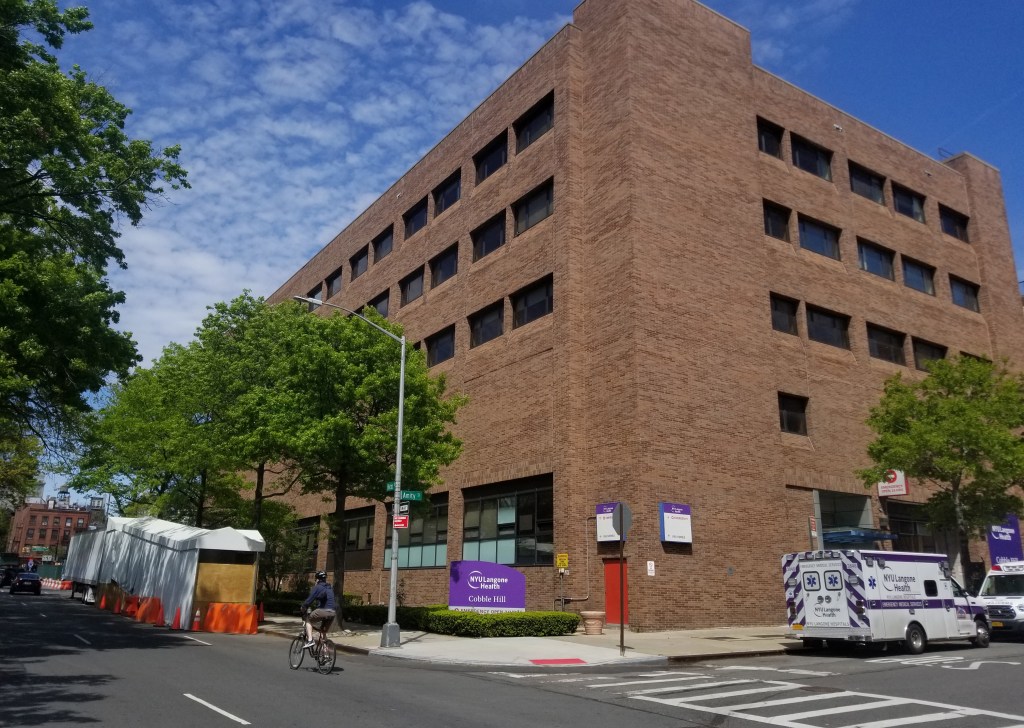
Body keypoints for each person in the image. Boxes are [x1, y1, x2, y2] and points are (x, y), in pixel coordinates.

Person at [301, 571, 336, 648]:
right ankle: (326, 655)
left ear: (317, 580)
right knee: (323, 632)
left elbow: (309, 600)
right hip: (333, 612)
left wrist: (303, 607)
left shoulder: (318, 587)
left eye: (315, 580)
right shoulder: (329, 587)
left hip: (324, 611)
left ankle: (310, 640)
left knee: (308, 620)